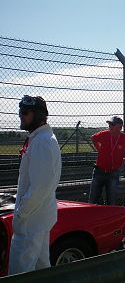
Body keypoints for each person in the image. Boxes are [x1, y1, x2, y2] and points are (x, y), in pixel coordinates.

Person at [8, 95, 61, 275]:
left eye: (25, 112)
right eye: (20, 112)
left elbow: (39, 187)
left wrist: (21, 212)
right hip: (38, 217)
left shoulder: (42, 142)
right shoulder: (40, 139)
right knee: (40, 267)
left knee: (20, 271)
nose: (21, 116)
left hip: (31, 220)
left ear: (37, 115)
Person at [89, 116, 125, 205]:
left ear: (120, 127)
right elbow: (93, 138)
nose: (110, 126)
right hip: (99, 171)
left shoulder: (124, 138)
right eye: (109, 124)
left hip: (113, 173)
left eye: (112, 124)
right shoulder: (104, 134)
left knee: (111, 202)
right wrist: (98, 148)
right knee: (93, 200)